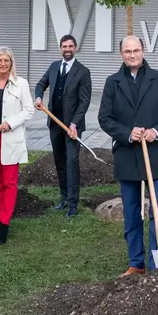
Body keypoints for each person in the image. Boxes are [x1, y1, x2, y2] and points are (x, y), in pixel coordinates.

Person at [98, 35, 158, 276]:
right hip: (127, 156)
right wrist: (127, 133)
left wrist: (156, 131)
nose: (132, 55)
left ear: (143, 51)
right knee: (132, 212)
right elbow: (105, 118)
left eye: (136, 50)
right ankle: (136, 263)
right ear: (121, 54)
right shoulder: (112, 82)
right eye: (127, 51)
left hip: (155, 155)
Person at [0, 46, 36, 245]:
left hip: (11, 139)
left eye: (6, 60)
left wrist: (11, 122)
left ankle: (4, 223)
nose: (3, 64)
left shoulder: (21, 84)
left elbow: (29, 111)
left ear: (11, 62)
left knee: (9, 183)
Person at [34, 34, 92, 218]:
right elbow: (41, 84)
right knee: (59, 162)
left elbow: (84, 101)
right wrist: (38, 96)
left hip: (72, 127)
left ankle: (73, 205)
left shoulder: (83, 71)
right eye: (64, 46)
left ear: (75, 48)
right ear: (60, 48)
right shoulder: (53, 67)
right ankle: (65, 198)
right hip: (54, 124)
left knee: (71, 162)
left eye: (70, 46)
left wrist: (75, 123)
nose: (67, 49)